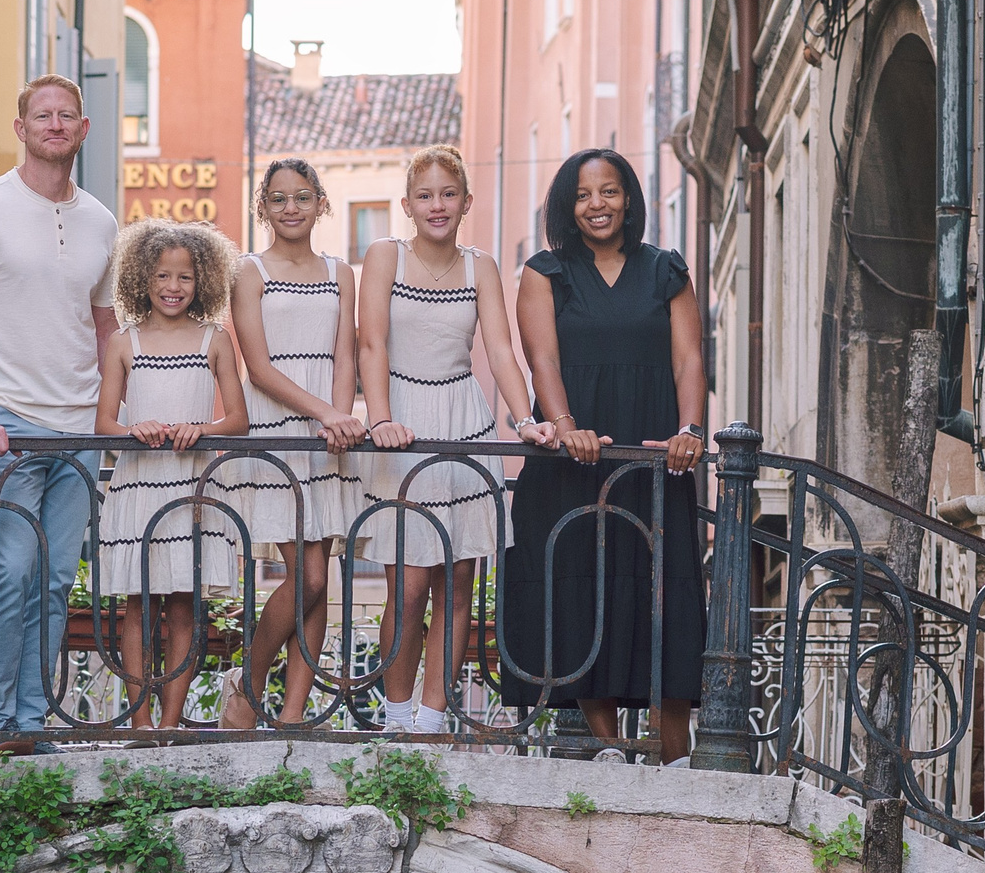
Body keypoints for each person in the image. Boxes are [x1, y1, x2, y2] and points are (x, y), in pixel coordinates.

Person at [0, 74, 121, 752]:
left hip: (79, 430)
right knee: (11, 573)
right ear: (20, 128)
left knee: (55, 581)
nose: (53, 124)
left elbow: (106, 330)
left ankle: (33, 722)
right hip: (8, 424)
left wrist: (113, 415)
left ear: (82, 129)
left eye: (66, 114)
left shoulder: (102, 221)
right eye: (41, 115)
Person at [507, 148, 708, 765]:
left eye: (611, 191)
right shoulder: (544, 272)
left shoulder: (666, 270)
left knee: (661, 607)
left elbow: (689, 360)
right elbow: (541, 361)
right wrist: (566, 426)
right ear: (568, 205)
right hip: (573, 467)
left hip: (656, 466)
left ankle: (677, 770)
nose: (598, 204)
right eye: (585, 194)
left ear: (629, 199)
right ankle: (611, 758)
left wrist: (690, 431)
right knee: (582, 604)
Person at [358, 144, 552, 736]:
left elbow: (500, 351)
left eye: (448, 194)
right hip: (403, 427)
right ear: (407, 204)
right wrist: (381, 418)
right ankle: (395, 718)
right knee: (408, 584)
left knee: (458, 580)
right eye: (425, 195)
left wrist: (523, 421)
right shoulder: (384, 255)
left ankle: (433, 718)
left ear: (465, 202)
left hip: (465, 422)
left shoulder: (481, 266)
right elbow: (371, 344)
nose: (436, 205)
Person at [219, 157, 368, 730]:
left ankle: (293, 714)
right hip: (276, 432)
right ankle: (248, 684)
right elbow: (257, 368)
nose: (290, 208)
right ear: (263, 207)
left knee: (320, 577)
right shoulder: (249, 270)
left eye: (302, 197)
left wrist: (338, 419)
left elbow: (346, 354)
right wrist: (327, 412)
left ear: (320, 203)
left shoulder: (340, 272)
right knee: (305, 577)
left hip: (329, 438)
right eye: (278, 199)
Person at [93, 220, 251, 733]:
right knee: (138, 607)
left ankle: (170, 721)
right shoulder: (124, 342)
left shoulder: (215, 338)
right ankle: (140, 724)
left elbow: (238, 420)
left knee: (185, 605)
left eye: (184, 277)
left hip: (193, 486)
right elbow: (104, 424)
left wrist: (200, 428)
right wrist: (132, 429)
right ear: (143, 279)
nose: (173, 287)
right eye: (162, 275)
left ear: (201, 280)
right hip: (138, 485)